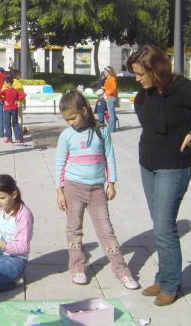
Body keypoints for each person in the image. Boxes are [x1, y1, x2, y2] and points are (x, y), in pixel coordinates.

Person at [127, 45, 191, 306]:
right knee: (160, 227)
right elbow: (143, 111)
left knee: (164, 227)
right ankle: (164, 276)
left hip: (173, 167)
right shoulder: (146, 91)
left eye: (140, 74)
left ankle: (170, 284)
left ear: (155, 69)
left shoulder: (183, 89)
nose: (137, 79)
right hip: (147, 164)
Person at [55, 90, 140, 290]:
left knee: (106, 231)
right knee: (74, 229)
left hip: (97, 190)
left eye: (73, 117)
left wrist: (111, 183)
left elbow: (109, 157)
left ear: (84, 111)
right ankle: (77, 267)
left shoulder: (101, 131)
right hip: (72, 188)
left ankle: (121, 270)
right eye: (67, 119)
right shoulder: (66, 135)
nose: (71, 122)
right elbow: (60, 163)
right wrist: (59, 190)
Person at [0, 75, 26, 144]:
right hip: (14, 108)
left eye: (5, 83)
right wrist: (17, 99)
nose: (4, 84)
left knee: (7, 124)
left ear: (9, 83)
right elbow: (24, 94)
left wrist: (3, 100)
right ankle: (19, 138)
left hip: (7, 109)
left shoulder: (5, 91)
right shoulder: (16, 91)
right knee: (15, 123)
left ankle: (9, 139)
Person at [101, 66, 118, 132]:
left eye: (105, 71)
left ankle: (111, 129)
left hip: (110, 97)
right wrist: (104, 88)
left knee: (111, 114)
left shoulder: (112, 78)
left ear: (109, 72)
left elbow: (113, 88)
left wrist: (107, 92)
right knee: (112, 113)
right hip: (109, 97)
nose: (104, 73)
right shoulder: (109, 78)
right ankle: (112, 128)